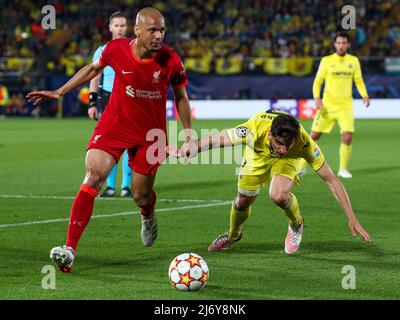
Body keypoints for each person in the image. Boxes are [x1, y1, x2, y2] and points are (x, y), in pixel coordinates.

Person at [27, 7, 196, 272]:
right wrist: (60, 92)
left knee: (141, 196)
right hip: (115, 125)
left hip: (151, 135)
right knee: (94, 175)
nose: (158, 36)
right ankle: (70, 249)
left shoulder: (171, 60)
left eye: (162, 30)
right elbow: (93, 69)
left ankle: (147, 214)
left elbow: (182, 97)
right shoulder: (115, 49)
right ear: (137, 30)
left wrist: (189, 136)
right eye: (152, 30)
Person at [173, 110, 371, 254]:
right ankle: (233, 234)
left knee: (278, 195)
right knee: (242, 201)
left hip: (288, 164)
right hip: (257, 155)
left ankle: (296, 224)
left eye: (288, 144)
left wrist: (351, 216)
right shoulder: (254, 129)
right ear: (269, 135)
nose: (283, 149)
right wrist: (191, 148)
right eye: (279, 143)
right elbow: (216, 140)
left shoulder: (303, 144)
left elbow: (331, 180)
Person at [298, 32, 370, 179]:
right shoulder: (326, 61)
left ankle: (343, 169)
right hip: (327, 106)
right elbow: (318, 81)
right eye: (339, 42)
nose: (341, 45)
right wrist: (317, 98)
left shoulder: (354, 61)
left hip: (345, 106)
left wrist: (365, 94)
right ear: (335, 44)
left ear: (348, 45)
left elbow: (358, 80)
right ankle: (300, 167)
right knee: (314, 136)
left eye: (344, 43)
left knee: (347, 137)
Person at [89, 11, 132, 198]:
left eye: (123, 25)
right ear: (110, 28)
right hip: (108, 99)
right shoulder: (102, 50)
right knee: (111, 144)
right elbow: (94, 77)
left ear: (127, 27)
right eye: (117, 25)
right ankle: (111, 186)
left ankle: (126, 187)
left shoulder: (134, 47)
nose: (120, 29)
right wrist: (92, 102)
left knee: (130, 143)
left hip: (130, 98)